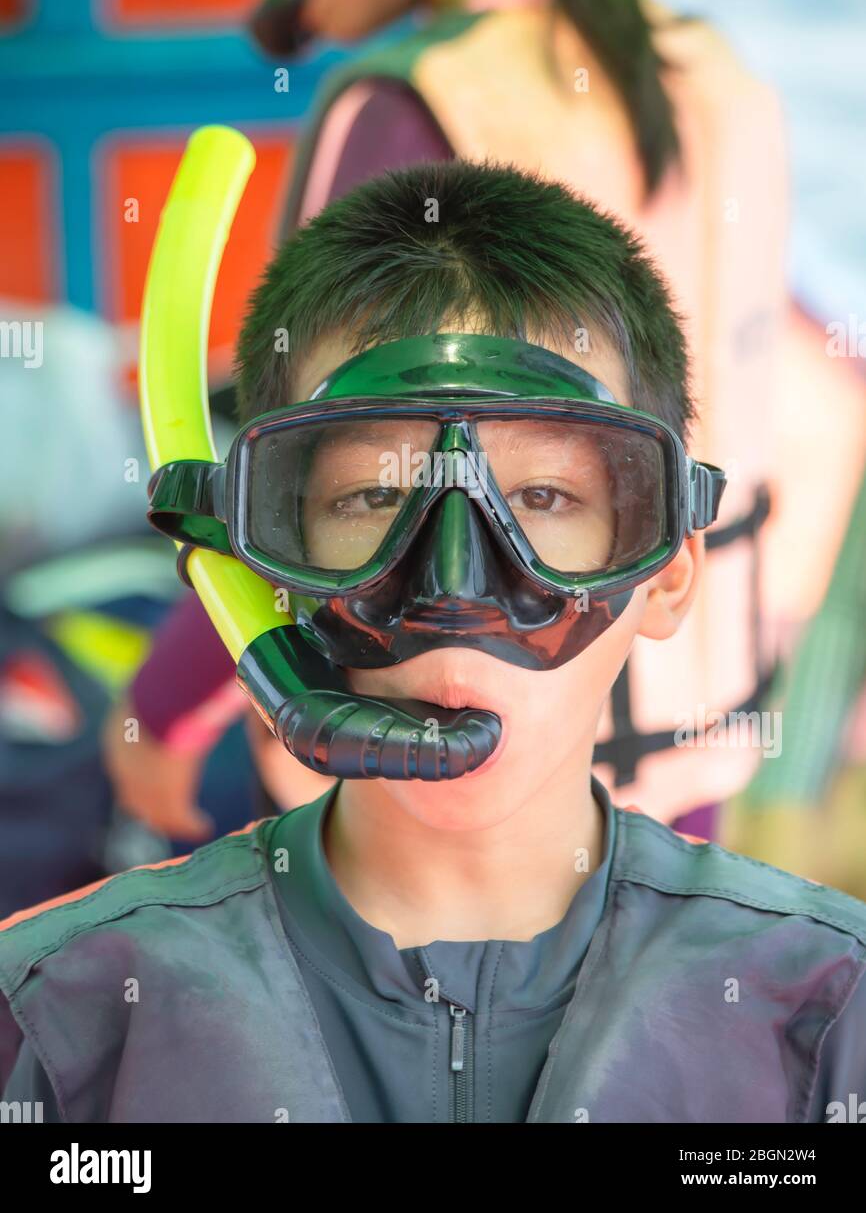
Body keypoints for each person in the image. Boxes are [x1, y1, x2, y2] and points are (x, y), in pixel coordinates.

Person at [2, 160, 864, 1124]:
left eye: (543, 499)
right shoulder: (62, 1023)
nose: (457, 592)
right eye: (374, 498)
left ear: (662, 570)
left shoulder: (828, 1019)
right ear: (266, 569)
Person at [107, 0, 793, 842]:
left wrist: (159, 713)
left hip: (429, 784)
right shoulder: (715, 76)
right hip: (685, 762)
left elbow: (306, 481)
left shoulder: (412, 108)